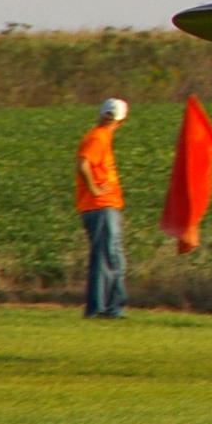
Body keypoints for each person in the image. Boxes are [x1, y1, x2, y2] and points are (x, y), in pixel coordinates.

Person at [74, 97, 129, 319]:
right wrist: (95, 190)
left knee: (113, 258)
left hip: (105, 207)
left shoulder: (101, 136)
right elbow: (82, 163)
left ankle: (112, 308)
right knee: (106, 258)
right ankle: (100, 309)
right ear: (121, 122)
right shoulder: (97, 137)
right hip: (100, 207)